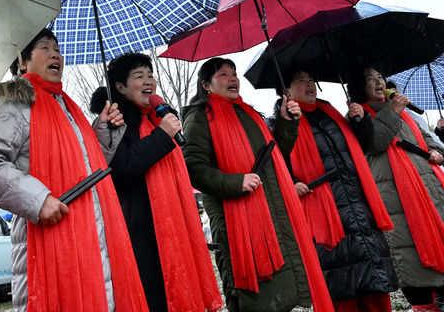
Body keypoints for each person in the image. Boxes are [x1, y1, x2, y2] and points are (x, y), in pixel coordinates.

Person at [0, 29, 148, 311]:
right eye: (45, 48)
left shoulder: (68, 107)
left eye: (58, 49)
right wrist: (38, 200)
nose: (56, 55)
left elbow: (88, 169)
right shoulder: (13, 103)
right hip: (49, 238)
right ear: (22, 61)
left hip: (94, 236)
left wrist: (104, 132)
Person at [182, 57, 334, 312]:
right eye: (223, 74)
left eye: (234, 73)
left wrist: (286, 122)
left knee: (279, 291)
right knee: (253, 297)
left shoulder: (249, 113)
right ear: (206, 85)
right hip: (236, 220)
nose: (232, 78)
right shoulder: (200, 117)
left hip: (271, 213)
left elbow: (274, 157)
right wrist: (235, 181)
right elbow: (193, 168)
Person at [89, 52, 222, 312]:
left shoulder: (156, 117)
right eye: (139, 76)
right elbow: (120, 171)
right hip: (140, 230)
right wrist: (162, 136)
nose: (149, 81)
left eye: (151, 75)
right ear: (120, 87)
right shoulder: (115, 121)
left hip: (174, 223)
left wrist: (163, 130)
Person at [277, 67, 397, 311]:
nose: (309, 84)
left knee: (373, 280)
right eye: (301, 81)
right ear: (286, 90)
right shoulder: (281, 123)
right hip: (322, 209)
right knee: (340, 282)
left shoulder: (330, 113)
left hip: (356, 202)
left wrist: (360, 122)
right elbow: (278, 162)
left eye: (311, 79)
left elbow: (362, 147)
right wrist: (292, 181)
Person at [348, 66, 444, 312]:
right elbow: (376, 142)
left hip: (429, 188)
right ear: (360, 87)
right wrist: (393, 111)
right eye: (370, 79)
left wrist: (436, 152)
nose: (378, 82)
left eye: (380, 77)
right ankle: (424, 306)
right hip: (396, 198)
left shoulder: (405, 114)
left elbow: (429, 141)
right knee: (409, 257)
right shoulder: (358, 116)